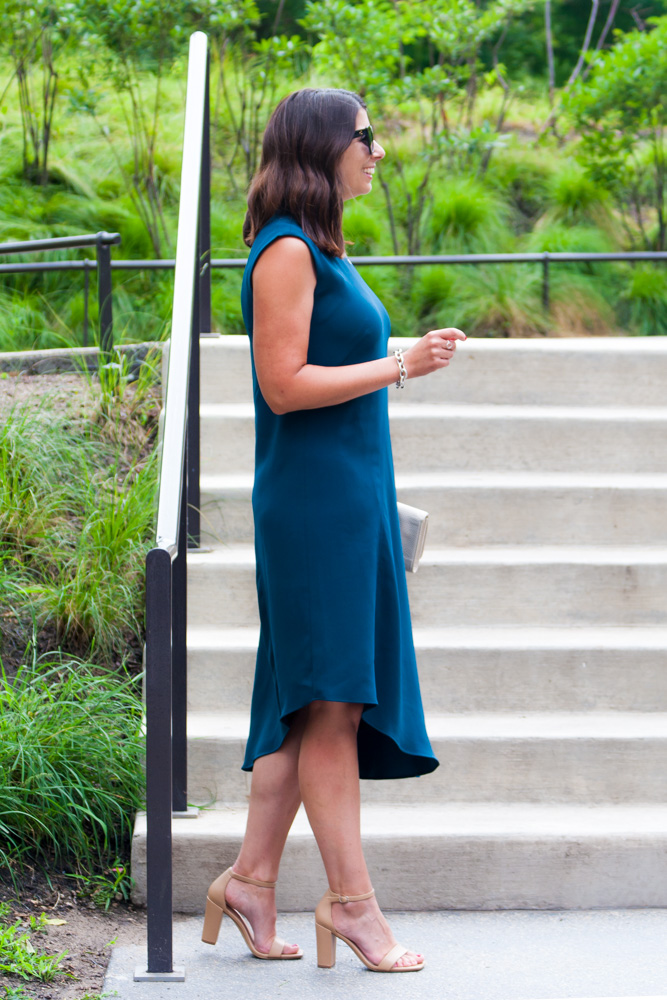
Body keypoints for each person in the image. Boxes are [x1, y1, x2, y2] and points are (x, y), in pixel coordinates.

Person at [201, 87, 465, 973]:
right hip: (314, 507)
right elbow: (283, 385)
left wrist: (396, 365)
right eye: (364, 135)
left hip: (346, 498)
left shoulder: (320, 247)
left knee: (304, 704)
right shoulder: (284, 251)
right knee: (334, 704)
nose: (377, 149)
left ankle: (249, 880)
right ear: (320, 148)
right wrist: (399, 363)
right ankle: (353, 906)